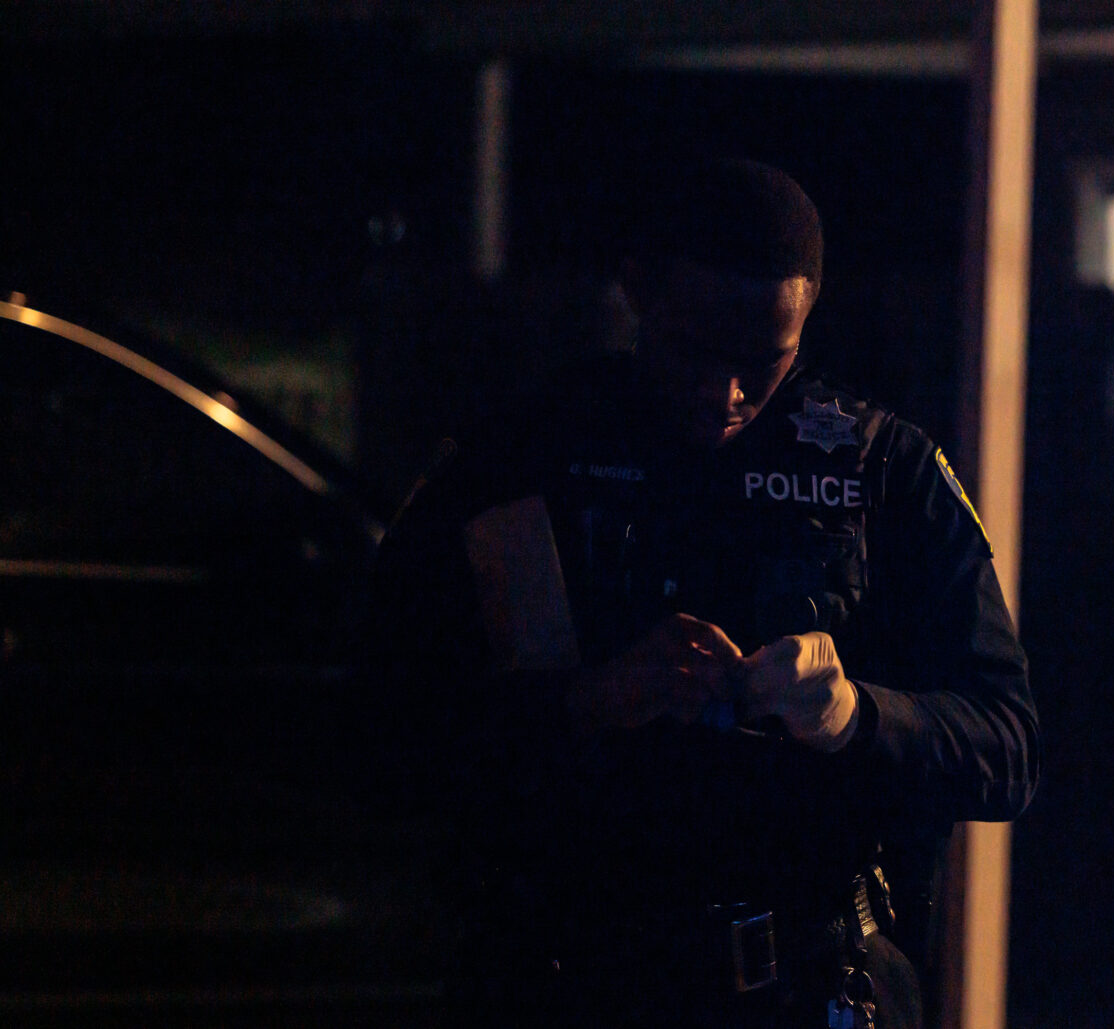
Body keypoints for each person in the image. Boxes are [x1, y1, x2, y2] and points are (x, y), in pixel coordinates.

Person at [365, 158, 1038, 1028]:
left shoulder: (879, 471)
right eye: (696, 350)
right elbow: (380, 735)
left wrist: (853, 714)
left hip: (813, 985)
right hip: (565, 979)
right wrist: (584, 703)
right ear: (639, 290)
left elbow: (1011, 747)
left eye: (766, 360)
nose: (727, 394)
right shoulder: (520, 459)